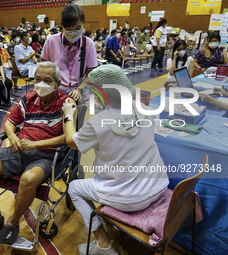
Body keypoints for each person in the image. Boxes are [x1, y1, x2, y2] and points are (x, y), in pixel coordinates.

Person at [62, 64, 169, 255]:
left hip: (130, 197)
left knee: (74, 188)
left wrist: (69, 116)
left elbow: (71, 142)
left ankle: (102, 243)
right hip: (158, 185)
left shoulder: (97, 123)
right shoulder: (144, 107)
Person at [0, 61, 75, 244]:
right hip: (19, 148)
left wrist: (35, 145)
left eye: (47, 80)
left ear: (57, 84)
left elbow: (68, 138)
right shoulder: (28, 98)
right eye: (37, 79)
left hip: (46, 155)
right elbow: (10, 122)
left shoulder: (66, 103)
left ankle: (12, 222)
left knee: (28, 179)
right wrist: (12, 137)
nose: (41, 83)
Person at [41, 4, 98, 101]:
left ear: (83, 23)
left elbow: (91, 73)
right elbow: (44, 67)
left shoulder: (89, 44)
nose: (73, 33)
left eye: (77, 28)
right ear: (61, 24)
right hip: (55, 95)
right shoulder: (51, 41)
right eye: (68, 29)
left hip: (80, 95)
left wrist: (79, 90)